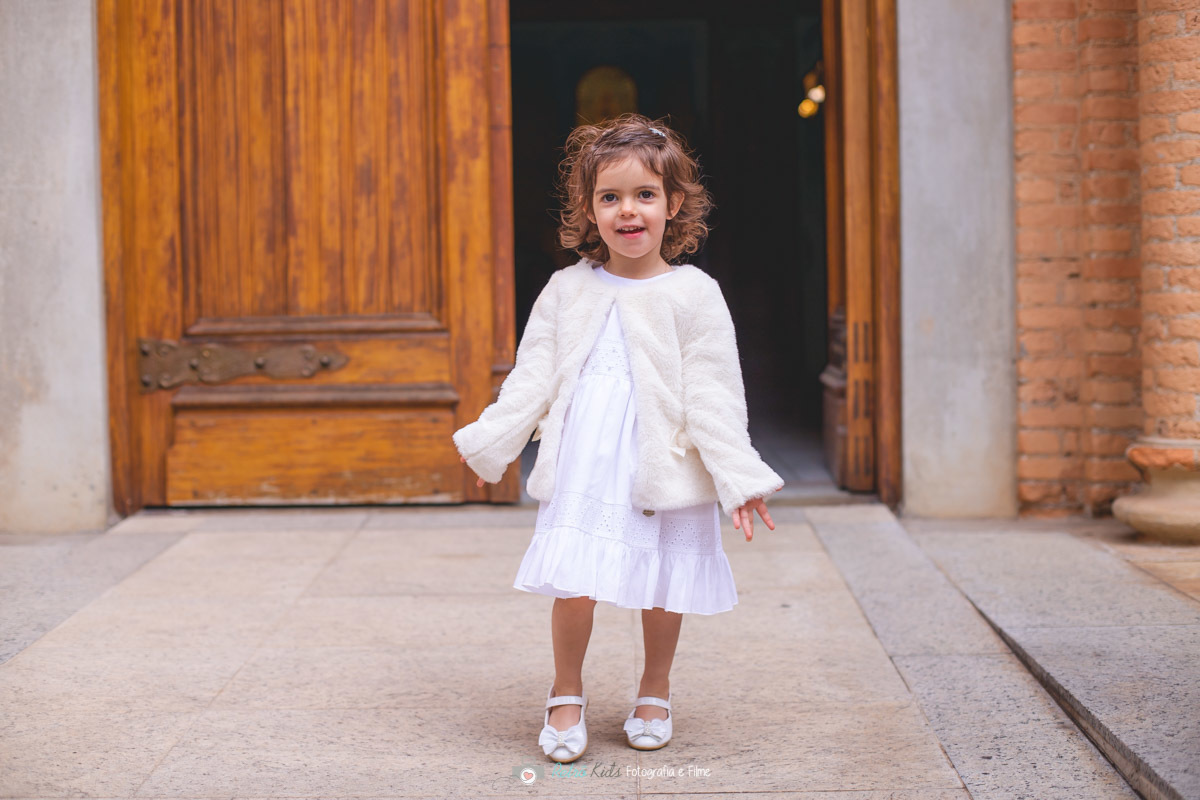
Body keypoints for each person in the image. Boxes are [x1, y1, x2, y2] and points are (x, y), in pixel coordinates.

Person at [453, 113, 783, 763]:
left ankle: (654, 689)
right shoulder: (567, 289)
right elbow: (532, 379)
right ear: (589, 209)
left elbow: (715, 396)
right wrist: (491, 439)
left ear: (673, 204)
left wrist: (738, 477)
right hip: (586, 460)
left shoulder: (695, 294)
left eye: (644, 195)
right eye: (610, 197)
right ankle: (566, 692)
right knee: (576, 578)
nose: (627, 211)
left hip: (665, 462)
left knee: (662, 580)